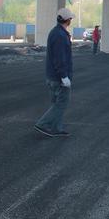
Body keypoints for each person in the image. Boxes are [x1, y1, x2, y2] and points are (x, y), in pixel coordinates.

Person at [34, 8, 74, 137]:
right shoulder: (60, 36)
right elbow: (60, 58)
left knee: (56, 103)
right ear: (68, 20)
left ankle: (56, 128)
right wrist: (64, 76)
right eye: (70, 19)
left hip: (52, 76)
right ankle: (43, 124)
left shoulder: (56, 32)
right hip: (58, 78)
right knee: (61, 104)